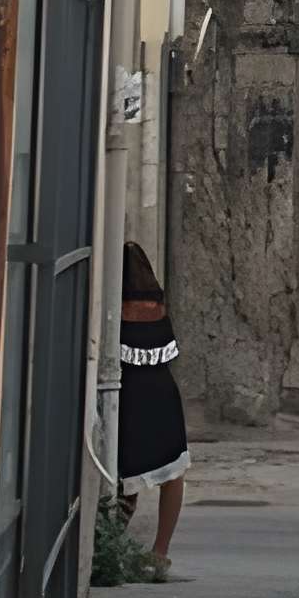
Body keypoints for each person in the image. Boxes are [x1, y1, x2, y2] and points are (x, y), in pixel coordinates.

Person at [118, 240, 189, 573]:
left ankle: (110, 544)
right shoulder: (158, 307)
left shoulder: (115, 310)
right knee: (173, 475)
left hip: (130, 397)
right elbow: (170, 352)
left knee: (122, 474)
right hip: (163, 394)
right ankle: (160, 551)